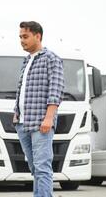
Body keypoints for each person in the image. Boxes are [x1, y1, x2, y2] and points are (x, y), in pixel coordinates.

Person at [13, 21, 64, 197]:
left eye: (25, 36)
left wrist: (49, 118)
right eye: (20, 37)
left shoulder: (51, 58)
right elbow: (22, 90)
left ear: (38, 36)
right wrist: (16, 114)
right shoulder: (26, 61)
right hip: (22, 123)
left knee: (42, 168)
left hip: (41, 122)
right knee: (35, 168)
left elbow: (55, 90)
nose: (21, 40)